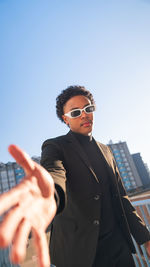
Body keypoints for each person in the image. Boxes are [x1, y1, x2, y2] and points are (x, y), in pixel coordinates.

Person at [0, 85, 150, 267]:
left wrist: (145, 238)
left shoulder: (107, 151)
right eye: (75, 112)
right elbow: (54, 172)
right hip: (78, 255)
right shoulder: (55, 146)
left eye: (88, 109)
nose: (84, 115)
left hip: (119, 250)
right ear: (65, 119)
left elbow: (122, 198)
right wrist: (50, 195)